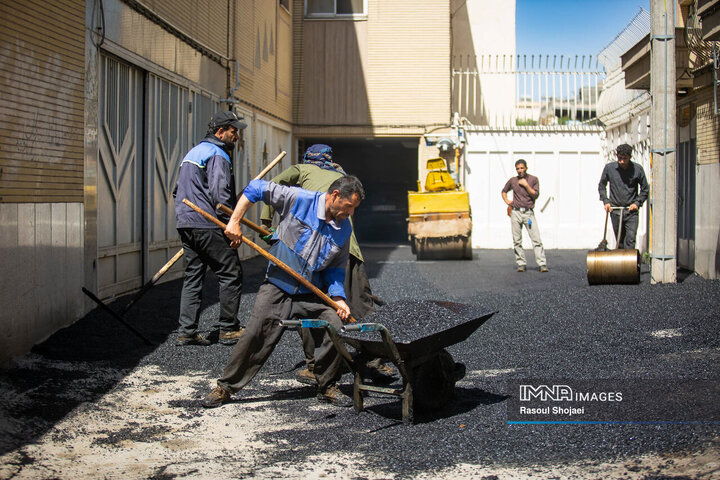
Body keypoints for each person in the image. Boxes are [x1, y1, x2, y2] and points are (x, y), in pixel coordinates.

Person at [202, 175, 365, 409]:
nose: (349, 213)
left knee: (335, 326)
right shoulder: (300, 199)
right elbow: (255, 188)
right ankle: (226, 387)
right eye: (349, 207)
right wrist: (235, 221)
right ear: (335, 195)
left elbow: (335, 270)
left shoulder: (343, 228)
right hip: (279, 284)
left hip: (311, 291)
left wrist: (338, 298)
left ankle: (327, 385)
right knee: (256, 333)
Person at [259, 144, 391, 386]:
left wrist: (266, 223)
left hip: (320, 253)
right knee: (361, 305)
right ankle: (377, 360)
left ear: (308, 159)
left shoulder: (301, 169)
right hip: (348, 247)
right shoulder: (342, 178)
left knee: (313, 308)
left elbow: (272, 185)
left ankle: (315, 367)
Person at [173, 111, 247, 346]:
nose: (236, 136)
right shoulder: (218, 154)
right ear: (220, 131)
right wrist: (230, 226)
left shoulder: (192, 153)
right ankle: (229, 328)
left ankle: (187, 331)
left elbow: (178, 190)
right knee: (230, 272)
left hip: (186, 222)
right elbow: (219, 195)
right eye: (233, 131)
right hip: (207, 222)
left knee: (193, 275)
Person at [598, 143, 650, 249]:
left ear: (630, 157)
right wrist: (606, 201)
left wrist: (637, 203)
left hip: (631, 212)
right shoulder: (609, 168)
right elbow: (602, 185)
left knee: (630, 239)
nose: (622, 161)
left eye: (625, 159)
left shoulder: (637, 169)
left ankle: (631, 264)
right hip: (615, 211)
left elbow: (645, 189)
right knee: (620, 240)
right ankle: (621, 264)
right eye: (620, 158)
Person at [501, 159, 549, 273]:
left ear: (526, 168)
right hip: (516, 212)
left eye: (522, 168)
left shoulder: (533, 179)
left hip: (528, 213)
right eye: (517, 168)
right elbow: (504, 191)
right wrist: (507, 201)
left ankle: (542, 264)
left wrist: (526, 185)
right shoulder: (513, 180)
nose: (520, 170)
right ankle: (521, 263)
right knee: (517, 240)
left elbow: (535, 195)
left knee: (536, 239)